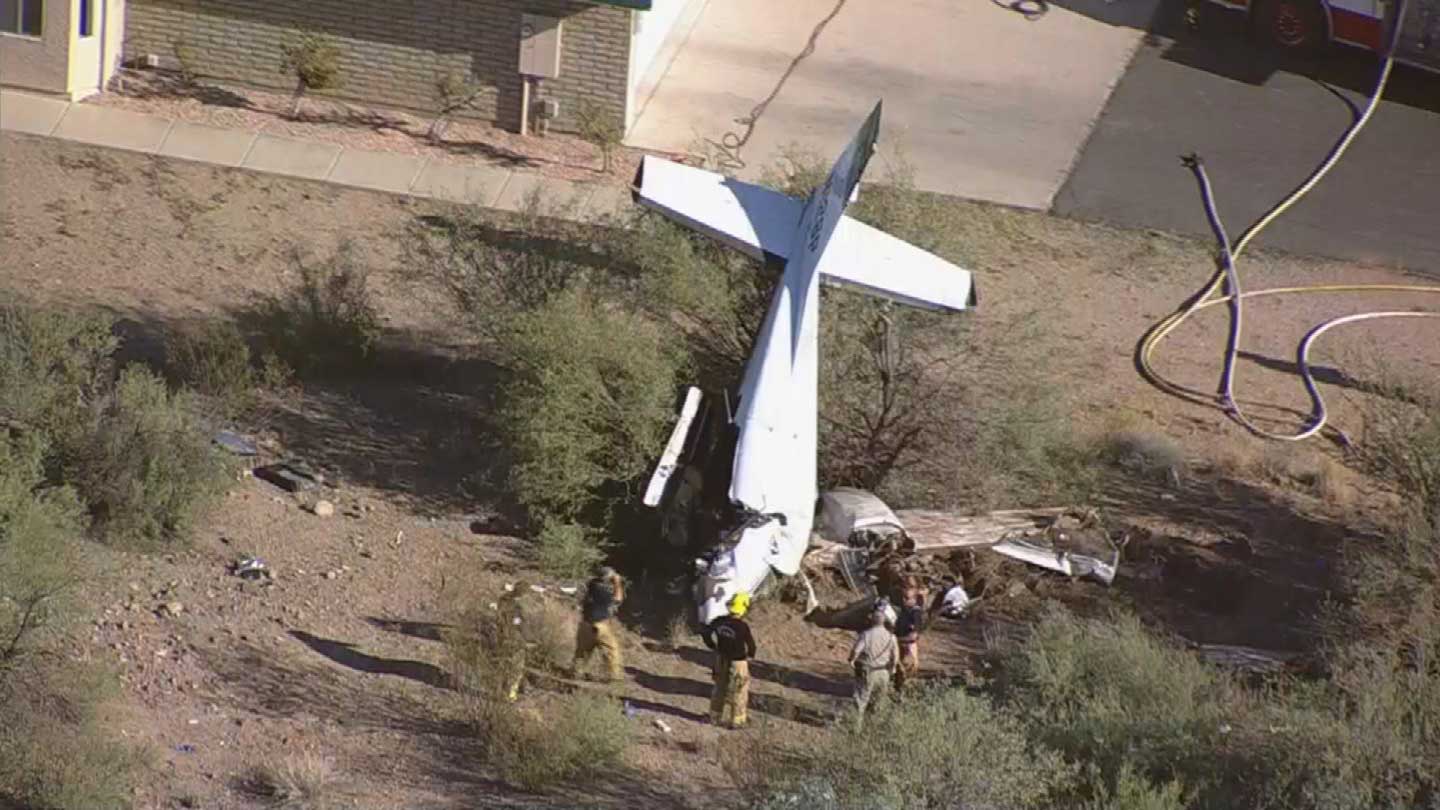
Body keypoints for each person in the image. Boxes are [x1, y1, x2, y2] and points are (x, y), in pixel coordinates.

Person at [701, 591, 757, 729]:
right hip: (738, 662)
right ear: (744, 608)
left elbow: (706, 632)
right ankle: (738, 720)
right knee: (739, 690)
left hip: (721, 659)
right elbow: (751, 645)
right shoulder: (742, 626)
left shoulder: (719, 621)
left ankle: (714, 717)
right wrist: (750, 655)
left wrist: (712, 645)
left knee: (719, 688)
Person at [571, 565, 625, 682]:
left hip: (585, 624)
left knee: (582, 652)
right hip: (600, 626)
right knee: (611, 650)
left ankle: (575, 672)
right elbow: (618, 598)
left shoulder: (592, 585)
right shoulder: (603, 590)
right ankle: (613, 676)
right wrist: (617, 582)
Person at [848, 608, 899, 727]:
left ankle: (856, 728)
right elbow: (895, 657)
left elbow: (856, 650)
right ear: (884, 621)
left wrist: (852, 660)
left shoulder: (866, 635)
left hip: (869, 671)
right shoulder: (891, 637)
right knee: (879, 701)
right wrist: (892, 669)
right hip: (884, 672)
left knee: (861, 700)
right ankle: (873, 727)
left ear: (872, 620)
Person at [893, 588, 926, 691]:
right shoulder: (904, 611)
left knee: (905, 672)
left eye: (907, 598)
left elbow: (914, 635)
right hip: (900, 644)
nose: (904, 600)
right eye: (903, 597)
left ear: (914, 599)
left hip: (907, 647)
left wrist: (896, 639)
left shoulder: (915, 613)